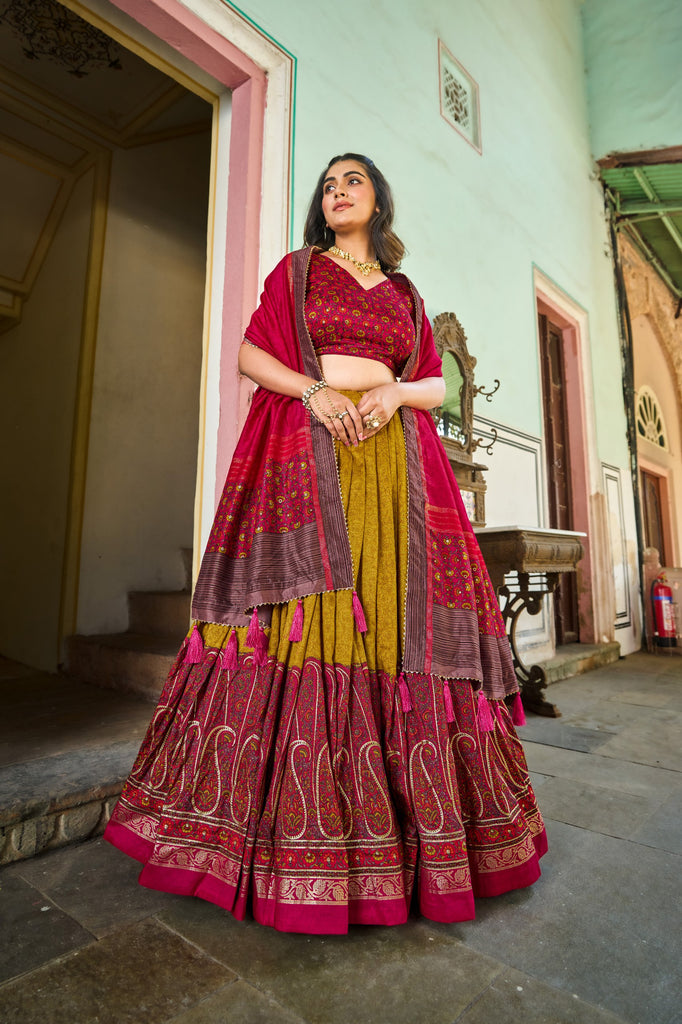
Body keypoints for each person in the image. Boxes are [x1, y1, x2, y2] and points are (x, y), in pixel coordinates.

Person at [104, 153, 547, 934]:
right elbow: (250, 354)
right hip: (311, 454)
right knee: (311, 618)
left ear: (380, 201)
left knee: (393, 627)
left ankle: (409, 852)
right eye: (328, 183)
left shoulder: (406, 294)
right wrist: (314, 392)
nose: (337, 191)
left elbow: (435, 384)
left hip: (392, 465)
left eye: (354, 181)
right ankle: (269, 845)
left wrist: (391, 392)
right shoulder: (299, 270)